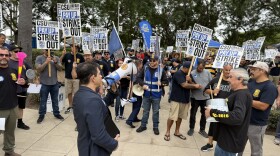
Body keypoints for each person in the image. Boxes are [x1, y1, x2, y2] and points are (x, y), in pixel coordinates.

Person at [73, 62, 119, 156]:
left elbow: (101, 104)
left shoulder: (80, 94)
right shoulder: (91, 100)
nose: (101, 76)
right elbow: (98, 136)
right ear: (92, 78)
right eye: (99, 74)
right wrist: (114, 144)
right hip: (94, 150)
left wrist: (113, 92)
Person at [205, 68, 252, 155]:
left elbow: (237, 117)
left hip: (231, 144)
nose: (228, 79)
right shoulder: (237, 93)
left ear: (240, 79)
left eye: (230, 77)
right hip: (225, 141)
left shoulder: (242, 95)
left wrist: (213, 112)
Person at [164, 61, 201, 141]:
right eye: (190, 69)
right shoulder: (178, 74)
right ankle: (167, 132)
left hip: (185, 99)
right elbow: (184, 85)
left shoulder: (188, 75)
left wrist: (190, 80)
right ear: (185, 68)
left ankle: (177, 131)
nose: (191, 71)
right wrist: (194, 85)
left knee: (180, 117)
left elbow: (195, 85)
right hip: (176, 99)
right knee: (172, 116)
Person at [247, 61, 278, 156]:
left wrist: (244, 99)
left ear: (262, 71)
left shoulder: (270, 87)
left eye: (253, 69)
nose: (251, 71)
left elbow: (263, 106)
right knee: (238, 146)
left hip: (256, 124)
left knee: (256, 151)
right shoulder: (251, 81)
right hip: (244, 121)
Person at [201, 64, 233, 152]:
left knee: (224, 128)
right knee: (213, 125)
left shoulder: (233, 82)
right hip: (215, 107)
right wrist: (212, 91)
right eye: (226, 70)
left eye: (230, 70)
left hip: (227, 109)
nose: (228, 72)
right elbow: (205, 90)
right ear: (223, 70)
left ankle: (222, 146)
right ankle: (210, 144)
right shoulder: (216, 80)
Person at [0, 47, 26, 156]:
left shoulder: (14, 70)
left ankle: (9, 151)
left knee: (10, 131)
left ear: (10, 57)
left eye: (6, 55)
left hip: (13, 107)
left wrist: (23, 82)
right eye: (1, 55)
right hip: (1, 110)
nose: (4, 57)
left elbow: (22, 84)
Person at [136, 54, 168, 135]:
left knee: (156, 112)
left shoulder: (161, 70)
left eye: (154, 61)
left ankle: (155, 127)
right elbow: (138, 78)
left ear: (157, 61)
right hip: (146, 94)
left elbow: (166, 82)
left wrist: (161, 83)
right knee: (145, 111)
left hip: (156, 95)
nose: (152, 62)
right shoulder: (145, 68)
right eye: (150, 60)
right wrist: (143, 84)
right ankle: (143, 125)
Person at [35, 49, 64, 123]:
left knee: (55, 100)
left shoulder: (56, 58)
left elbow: (60, 69)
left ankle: (56, 113)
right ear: (43, 50)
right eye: (47, 50)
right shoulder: (39, 58)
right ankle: (41, 115)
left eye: (51, 50)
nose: (49, 51)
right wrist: (46, 62)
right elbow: (38, 69)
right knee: (43, 100)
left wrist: (55, 62)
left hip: (54, 83)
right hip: (44, 83)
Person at [8, 45, 31, 130]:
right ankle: (7, 124)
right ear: (10, 52)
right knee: (9, 107)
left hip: (22, 88)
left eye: (19, 51)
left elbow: (30, 71)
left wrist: (31, 78)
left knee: (21, 106)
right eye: (16, 51)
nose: (18, 53)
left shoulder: (23, 61)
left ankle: (20, 122)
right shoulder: (7, 62)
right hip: (10, 89)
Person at [187, 60, 212, 138]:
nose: (200, 69)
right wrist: (190, 81)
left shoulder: (207, 73)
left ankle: (202, 129)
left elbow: (211, 83)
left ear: (204, 67)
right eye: (199, 68)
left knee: (204, 114)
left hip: (205, 97)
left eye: (202, 68)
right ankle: (191, 128)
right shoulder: (192, 73)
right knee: (193, 113)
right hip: (195, 97)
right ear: (197, 65)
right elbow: (189, 84)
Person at [60, 44, 85, 114]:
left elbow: (83, 66)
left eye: (76, 47)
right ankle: (70, 105)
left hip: (77, 78)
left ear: (77, 49)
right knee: (69, 92)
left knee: (76, 93)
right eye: (72, 47)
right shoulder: (67, 55)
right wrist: (62, 55)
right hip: (68, 77)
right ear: (71, 48)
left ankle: (75, 105)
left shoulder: (80, 56)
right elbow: (60, 61)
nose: (74, 48)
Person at [126, 59, 143, 128]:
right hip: (137, 90)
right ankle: (130, 120)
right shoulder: (138, 72)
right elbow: (137, 80)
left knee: (135, 105)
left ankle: (134, 118)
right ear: (139, 64)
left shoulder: (133, 71)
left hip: (132, 90)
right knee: (138, 106)